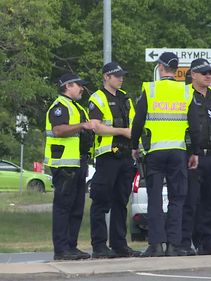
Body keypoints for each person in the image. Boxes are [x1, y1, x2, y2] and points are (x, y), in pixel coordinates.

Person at [131, 52, 193, 257]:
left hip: (155, 153)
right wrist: (193, 152)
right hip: (178, 152)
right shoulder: (185, 91)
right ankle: (174, 245)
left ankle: (156, 245)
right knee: (177, 198)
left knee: (155, 198)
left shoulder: (150, 89)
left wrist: (134, 145)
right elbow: (194, 125)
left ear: (160, 67)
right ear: (176, 69)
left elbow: (138, 121)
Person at [88, 62, 140, 258]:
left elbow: (134, 125)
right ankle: (99, 246)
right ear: (106, 77)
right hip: (108, 156)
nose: (121, 78)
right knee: (101, 201)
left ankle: (120, 245)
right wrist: (122, 132)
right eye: (117, 76)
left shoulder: (125, 98)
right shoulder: (97, 98)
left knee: (121, 201)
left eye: (122, 75)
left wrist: (135, 145)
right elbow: (96, 126)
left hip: (126, 156)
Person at [180, 58, 211, 255]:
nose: (209, 76)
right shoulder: (185, 95)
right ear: (193, 75)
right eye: (204, 73)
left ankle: (209, 241)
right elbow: (182, 127)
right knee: (190, 200)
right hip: (193, 156)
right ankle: (185, 243)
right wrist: (191, 151)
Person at [45, 73, 95, 260]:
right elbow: (59, 130)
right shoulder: (59, 107)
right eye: (79, 85)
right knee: (63, 208)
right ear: (68, 86)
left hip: (78, 162)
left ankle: (71, 246)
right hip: (64, 164)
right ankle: (61, 250)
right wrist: (82, 125)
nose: (81, 88)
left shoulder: (76, 107)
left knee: (76, 207)